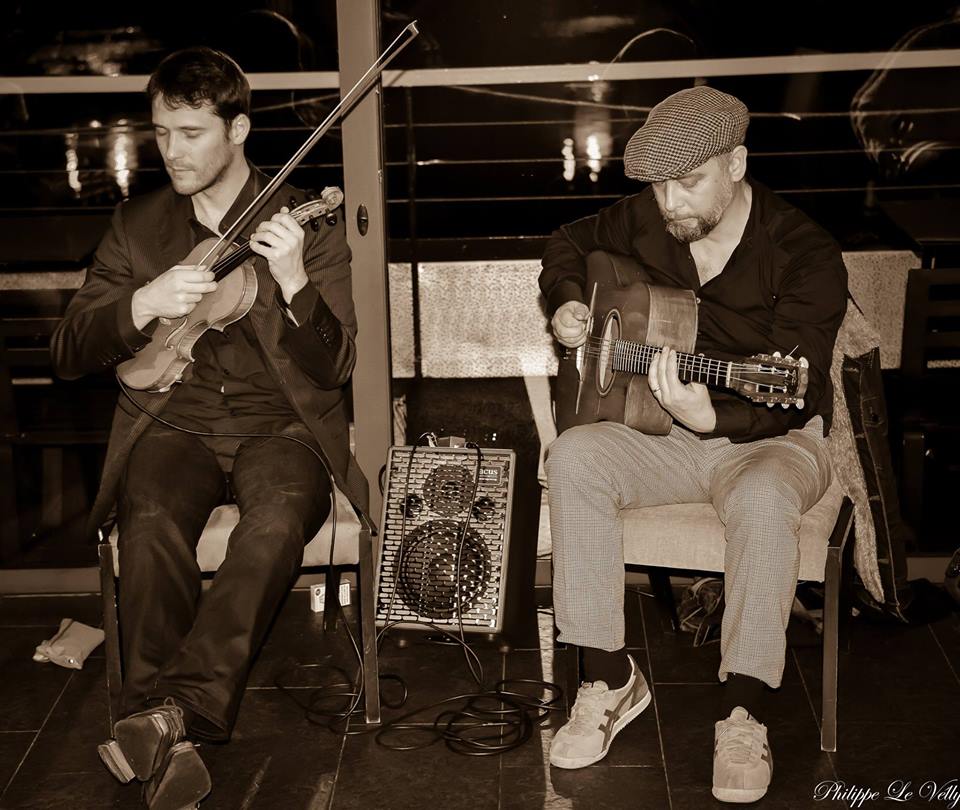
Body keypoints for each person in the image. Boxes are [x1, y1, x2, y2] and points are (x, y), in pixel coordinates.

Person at [51, 47, 367, 809]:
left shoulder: (304, 223)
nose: (173, 151)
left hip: (279, 428)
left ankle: (165, 713)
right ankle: (173, 735)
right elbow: (68, 350)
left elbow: (336, 367)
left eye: (192, 133)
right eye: (162, 132)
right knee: (152, 516)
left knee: (275, 522)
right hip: (174, 419)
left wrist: (293, 284)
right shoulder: (138, 226)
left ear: (239, 130)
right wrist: (141, 302)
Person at [539, 85, 847, 803]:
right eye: (657, 187)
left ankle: (743, 711)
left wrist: (715, 419)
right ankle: (609, 679)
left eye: (689, 182)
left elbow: (793, 394)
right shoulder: (649, 219)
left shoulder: (805, 253)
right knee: (576, 454)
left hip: (770, 438)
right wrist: (568, 304)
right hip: (663, 433)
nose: (670, 203)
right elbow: (567, 243)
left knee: (767, 493)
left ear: (737, 163)